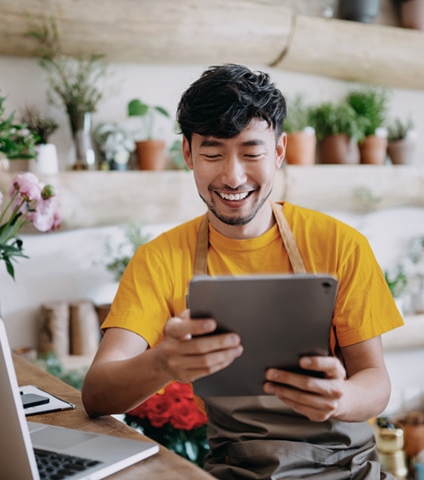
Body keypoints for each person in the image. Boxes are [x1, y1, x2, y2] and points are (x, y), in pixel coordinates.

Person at [81, 64, 404, 479]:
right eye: (213, 154)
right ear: (187, 154)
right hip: (237, 470)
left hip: (347, 468)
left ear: (280, 152)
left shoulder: (339, 245)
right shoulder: (159, 260)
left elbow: (375, 380)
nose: (233, 176)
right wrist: (164, 362)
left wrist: (339, 397)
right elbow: (96, 393)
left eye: (252, 153)